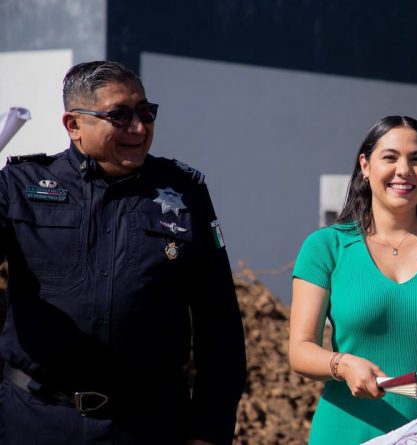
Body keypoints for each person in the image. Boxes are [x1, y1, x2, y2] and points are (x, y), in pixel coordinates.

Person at [0, 61, 246, 445]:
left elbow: (219, 320)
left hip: (146, 425)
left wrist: (210, 430)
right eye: (120, 116)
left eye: (146, 113)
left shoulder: (184, 194)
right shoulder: (20, 187)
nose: (139, 127)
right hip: (35, 421)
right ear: (74, 125)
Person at [289, 115, 417, 444]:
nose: (404, 170)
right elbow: (300, 350)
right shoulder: (326, 247)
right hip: (346, 435)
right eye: (390, 157)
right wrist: (343, 365)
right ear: (365, 165)